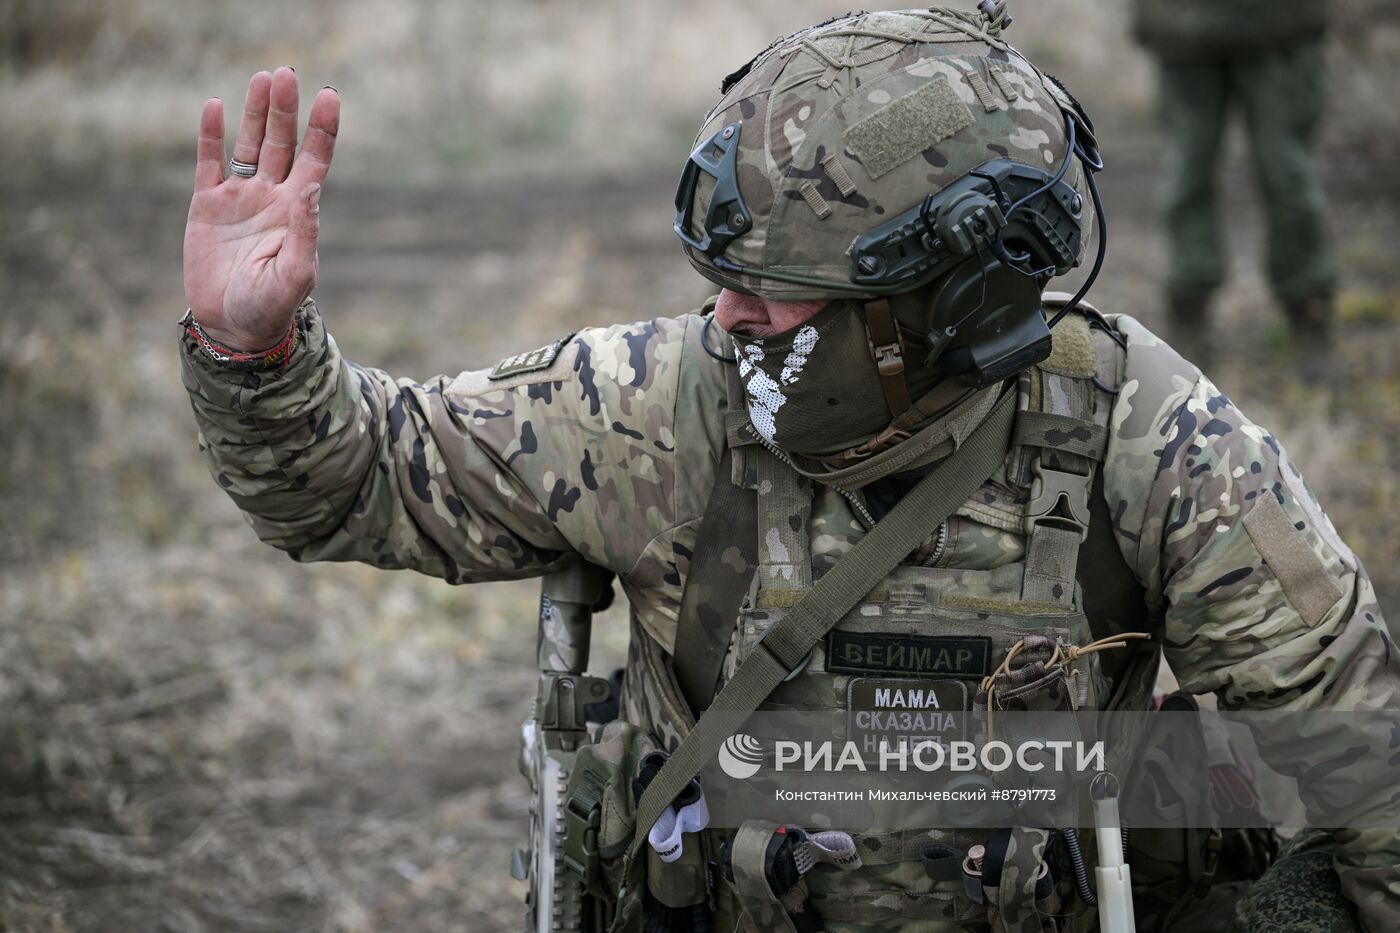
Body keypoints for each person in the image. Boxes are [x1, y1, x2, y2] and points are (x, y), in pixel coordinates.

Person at [179, 6, 1394, 931]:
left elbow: (1359, 760)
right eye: (721, 276)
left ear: (946, 304)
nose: (728, 317)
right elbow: (363, 479)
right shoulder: (659, 406)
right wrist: (256, 351)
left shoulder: (1145, 433)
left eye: (777, 289)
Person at [1131, 0, 1338, 363]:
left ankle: (1310, 313)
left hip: (1280, 25)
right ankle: (1188, 311)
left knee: (1288, 174)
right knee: (1188, 173)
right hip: (1185, 29)